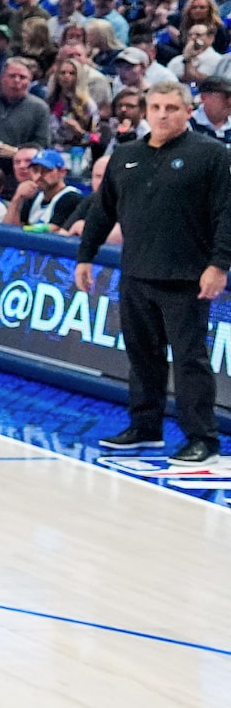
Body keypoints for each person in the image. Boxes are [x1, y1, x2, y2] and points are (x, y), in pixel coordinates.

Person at [78, 80, 231, 463]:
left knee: (189, 360)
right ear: (145, 111)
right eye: (156, 107)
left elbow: (228, 215)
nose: (163, 114)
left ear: (188, 111)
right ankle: (145, 427)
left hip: (187, 277)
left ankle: (203, 438)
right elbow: (102, 211)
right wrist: (85, 256)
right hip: (136, 273)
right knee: (142, 355)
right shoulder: (126, 155)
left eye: (172, 108)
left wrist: (219, 265)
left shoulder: (212, 155)